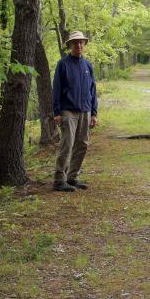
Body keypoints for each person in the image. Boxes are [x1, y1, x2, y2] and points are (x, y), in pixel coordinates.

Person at [52, 31, 98, 192]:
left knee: (82, 144)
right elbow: (56, 89)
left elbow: (93, 89)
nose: (78, 45)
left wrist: (94, 112)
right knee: (67, 144)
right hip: (68, 111)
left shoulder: (88, 65)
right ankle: (59, 180)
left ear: (84, 45)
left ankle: (72, 177)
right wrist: (56, 112)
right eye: (75, 43)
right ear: (70, 45)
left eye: (81, 43)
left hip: (85, 110)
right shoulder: (63, 64)